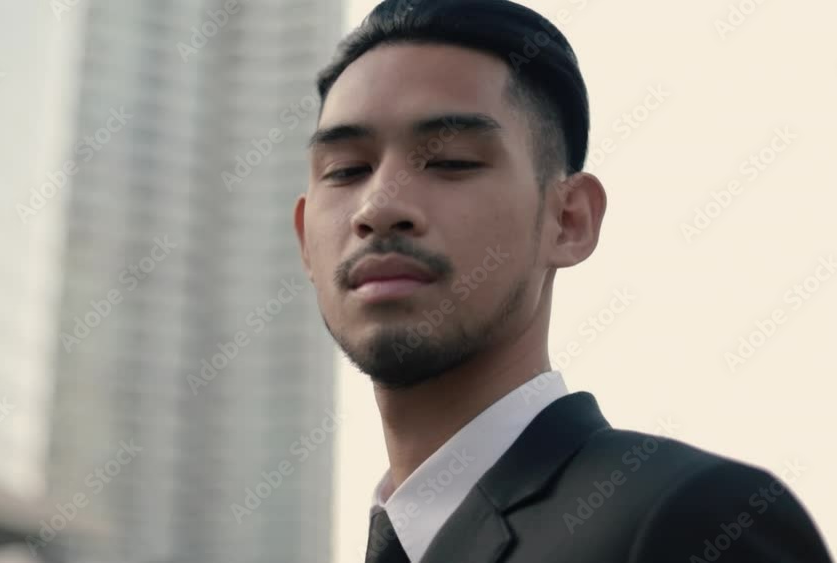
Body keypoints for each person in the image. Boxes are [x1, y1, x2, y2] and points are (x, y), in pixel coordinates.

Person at [291, 0, 833, 561]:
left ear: (569, 220)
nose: (379, 207)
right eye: (347, 171)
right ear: (306, 239)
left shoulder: (692, 519)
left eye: (449, 161)